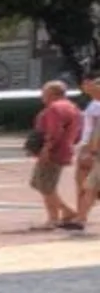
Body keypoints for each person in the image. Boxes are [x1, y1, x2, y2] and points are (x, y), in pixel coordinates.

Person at [29, 81, 84, 231]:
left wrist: (47, 149)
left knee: (46, 185)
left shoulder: (55, 108)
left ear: (52, 94)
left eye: (44, 93)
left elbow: (54, 131)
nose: (42, 96)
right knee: (38, 183)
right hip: (65, 149)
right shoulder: (73, 108)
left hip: (53, 151)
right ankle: (67, 211)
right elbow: (79, 133)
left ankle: (53, 219)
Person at [65, 71, 100, 232]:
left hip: (94, 151)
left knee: (89, 186)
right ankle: (80, 219)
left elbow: (95, 131)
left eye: (90, 83)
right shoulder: (94, 104)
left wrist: (89, 149)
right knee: (90, 186)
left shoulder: (96, 106)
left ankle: (80, 218)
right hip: (94, 152)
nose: (86, 86)